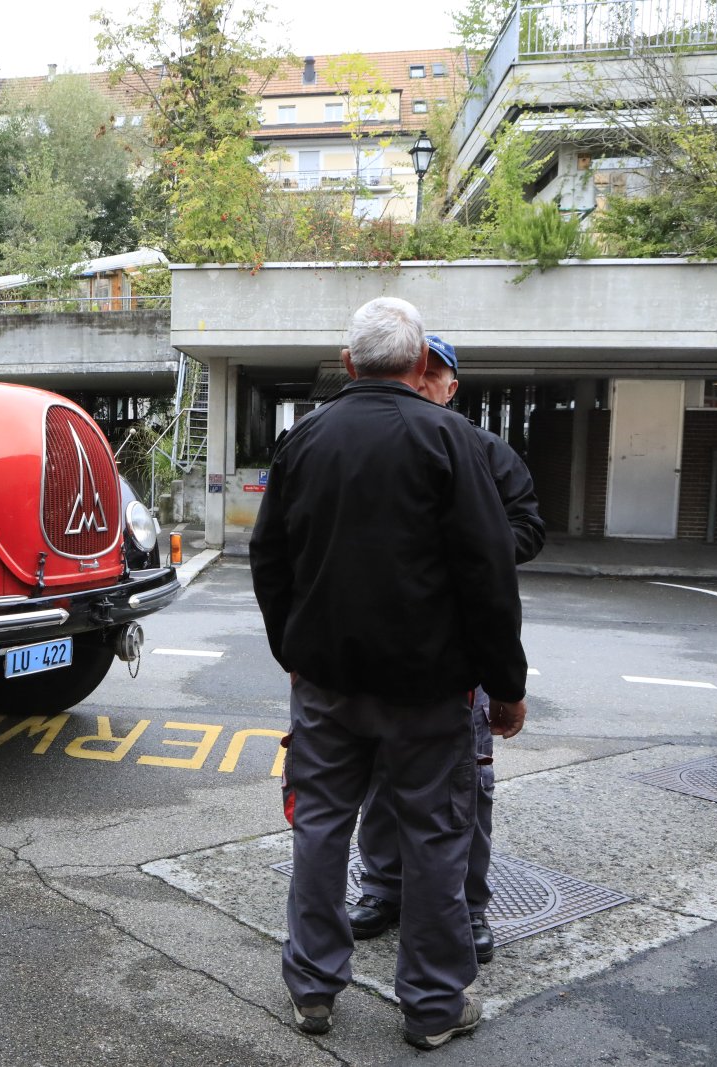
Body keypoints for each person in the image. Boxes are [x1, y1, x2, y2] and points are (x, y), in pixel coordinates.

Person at [250, 298, 529, 1051]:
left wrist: (294, 652)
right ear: (419, 363)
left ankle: (312, 986)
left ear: (349, 364)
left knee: (319, 827)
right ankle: (433, 1005)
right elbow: (488, 573)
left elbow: (269, 557)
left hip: (325, 685)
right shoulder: (452, 439)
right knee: (436, 838)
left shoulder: (304, 439)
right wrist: (505, 683)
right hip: (430, 689)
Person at [348, 334, 545, 968]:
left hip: (458, 651)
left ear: (451, 387)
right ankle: (383, 889)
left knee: (468, 786)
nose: (422, 382)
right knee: (380, 774)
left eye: (435, 375)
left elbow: (528, 529)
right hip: (376, 646)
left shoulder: (484, 449)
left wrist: (466, 546)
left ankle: (468, 906)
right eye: (417, 370)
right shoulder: (378, 443)